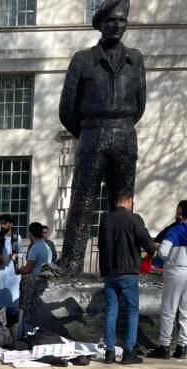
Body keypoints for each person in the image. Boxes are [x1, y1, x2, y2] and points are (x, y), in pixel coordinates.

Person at [59, 0, 147, 273]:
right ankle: (72, 263)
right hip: (92, 135)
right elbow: (66, 109)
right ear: (100, 24)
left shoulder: (136, 59)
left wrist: (119, 126)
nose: (118, 25)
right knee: (82, 201)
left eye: (122, 20)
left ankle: (119, 265)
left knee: (123, 205)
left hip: (124, 136)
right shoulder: (82, 60)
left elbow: (140, 105)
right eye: (112, 20)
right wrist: (88, 133)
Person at [97, 190, 156, 364]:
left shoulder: (105, 220)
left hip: (110, 272)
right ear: (129, 201)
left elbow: (100, 245)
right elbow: (146, 242)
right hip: (129, 271)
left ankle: (109, 352)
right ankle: (128, 352)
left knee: (111, 310)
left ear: (116, 201)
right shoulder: (134, 219)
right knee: (132, 310)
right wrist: (152, 251)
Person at [148, 203, 187, 360]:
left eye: (179, 213)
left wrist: (158, 249)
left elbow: (163, 252)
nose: (177, 216)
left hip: (175, 271)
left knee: (168, 310)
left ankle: (164, 346)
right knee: (185, 312)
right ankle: (182, 347)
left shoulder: (175, 230)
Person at [0, 214, 24, 314]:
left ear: (11, 224)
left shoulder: (16, 237)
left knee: (13, 296)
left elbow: (21, 253)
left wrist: (16, 256)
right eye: (1, 223)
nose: (2, 225)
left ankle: (12, 317)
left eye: (4, 223)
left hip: (12, 272)